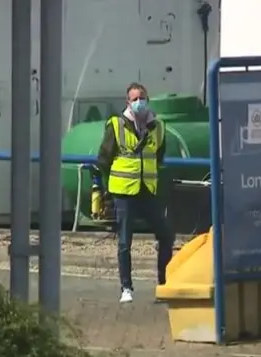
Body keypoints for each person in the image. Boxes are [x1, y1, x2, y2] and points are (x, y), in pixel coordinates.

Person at [97, 82, 175, 303]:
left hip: (148, 190)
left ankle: (164, 283)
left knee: (166, 235)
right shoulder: (116, 125)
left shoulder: (158, 127)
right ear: (127, 102)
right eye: (134, 99)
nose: (139, 102)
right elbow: (104, 158)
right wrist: (107, 189)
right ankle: (126, 288)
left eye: (142, 97)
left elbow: (158, 156)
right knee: (124, 241)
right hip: (124, 192)